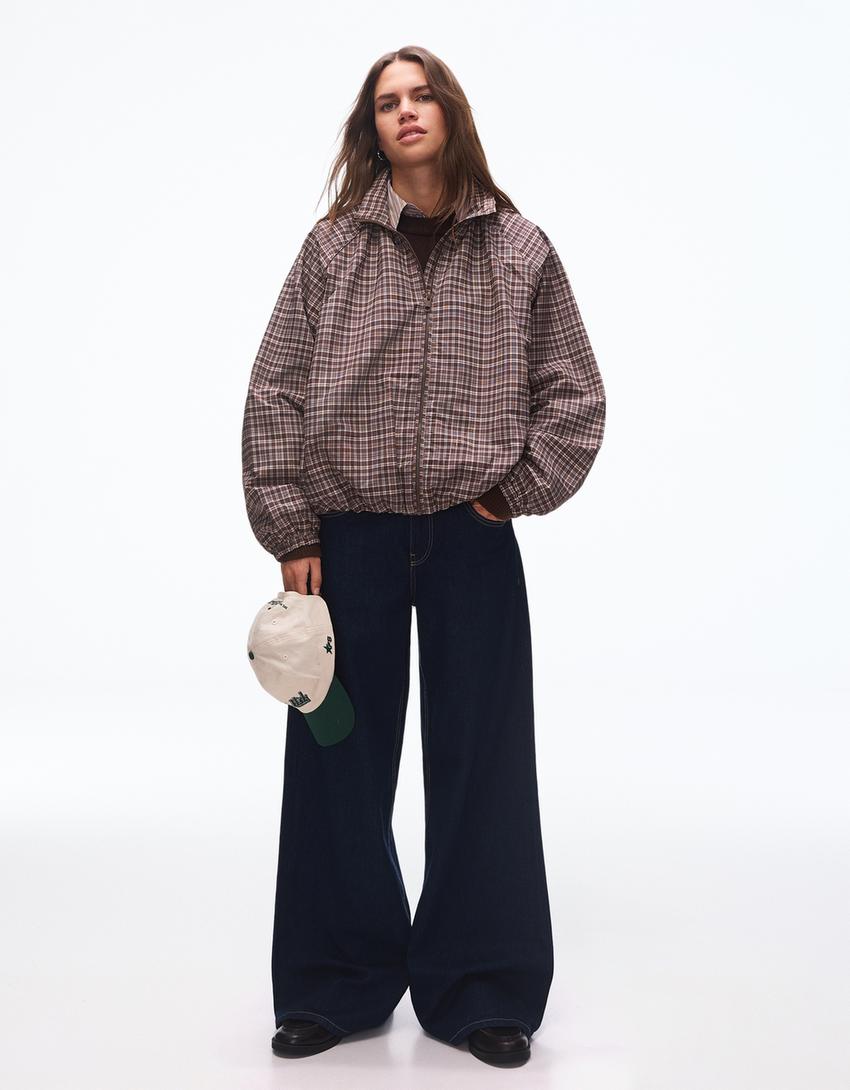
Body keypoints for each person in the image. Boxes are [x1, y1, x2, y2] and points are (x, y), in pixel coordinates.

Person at [241, 45, 606, 1067]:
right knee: (336, 759)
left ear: (450, 111)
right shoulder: (332, 249)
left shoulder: (520, 249)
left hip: (469, 539)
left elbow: (575, 394)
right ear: (372, 128)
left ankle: (483, 988)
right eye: (386, 102)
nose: (405, 112)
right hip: (346, 541)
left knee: (483, 758)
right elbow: (275, 389)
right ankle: (333, 984)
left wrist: (508, 494)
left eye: (421, 95)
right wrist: (291, 528)